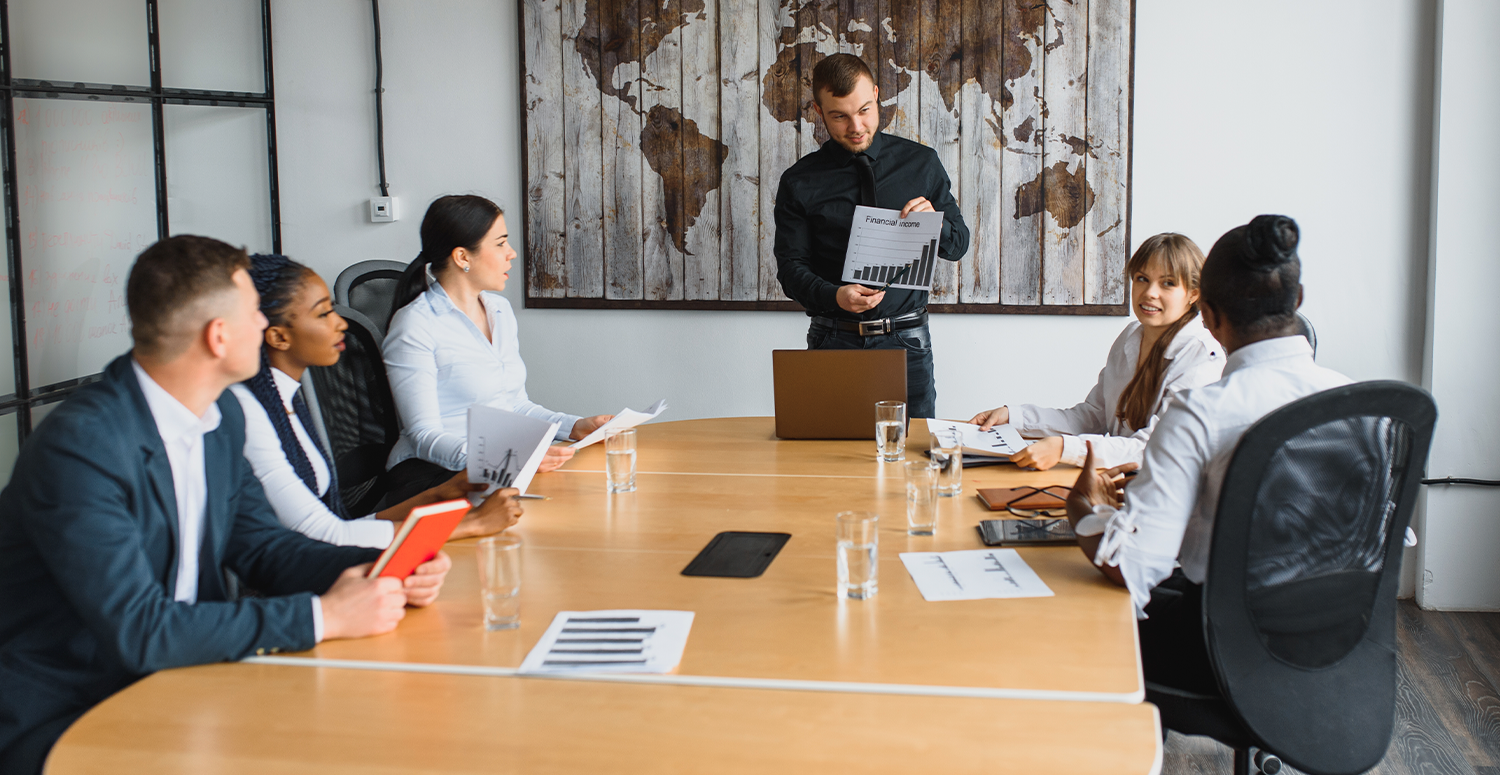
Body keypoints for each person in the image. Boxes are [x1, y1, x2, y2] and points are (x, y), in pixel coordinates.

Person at [0, 236, 451, 773]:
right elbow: (140, 630)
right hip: (76, 710)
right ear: (219, 337)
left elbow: (262, 547)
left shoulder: (220, 419)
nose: (264, 328)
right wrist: (322, 616)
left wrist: (383, 567)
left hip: (191, 679)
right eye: (252, 316)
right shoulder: (84, 445)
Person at [1062, 215, 1351, 692]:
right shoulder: (1366, 405)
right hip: (1339, 644)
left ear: (1209, 316)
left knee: (1080, 615)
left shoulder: (1200, 414)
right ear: (1297, 303)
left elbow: (1131, 569)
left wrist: (1084, 510)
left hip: (1217, 649)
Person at [228, 253, 524, 548]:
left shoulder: (288, 400)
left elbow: (340, 528)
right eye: (323, 314)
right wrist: (470, 524)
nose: (341, 323)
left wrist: (440, 494)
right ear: (278, 337)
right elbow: (324, 539)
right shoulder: (252, 413)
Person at [773, 53, 970, 419]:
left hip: (907, 341)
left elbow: (958, 244)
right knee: (827, 460)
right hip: (833, 337)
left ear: (877, 94)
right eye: (839, 116)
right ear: (819, 111)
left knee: (913, 458)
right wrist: (836, 295)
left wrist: (937, 223)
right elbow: (791, 270)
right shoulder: (799, 181)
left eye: (864, 109)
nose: (856, 126)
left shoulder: (921, 163)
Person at [383, 194, 612, 500]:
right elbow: (424, 437)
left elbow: (513, 405)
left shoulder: (499, 311)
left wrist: (576, 427)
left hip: (497, 466)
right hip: (431, 476)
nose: (512, 253)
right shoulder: (415, 325)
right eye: (501, 243)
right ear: (463, 257)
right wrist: (505, 460)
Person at [968, 234, 1224, 470]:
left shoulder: (1202, 357)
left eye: (1167, 283)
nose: (1149, 293)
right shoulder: (1130, 336)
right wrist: (1013, 416)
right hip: (1115, 483)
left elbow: (1154, 448)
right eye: (1142, 279)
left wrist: (1065, 449)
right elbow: (1091, 418)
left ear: (1193, 294)